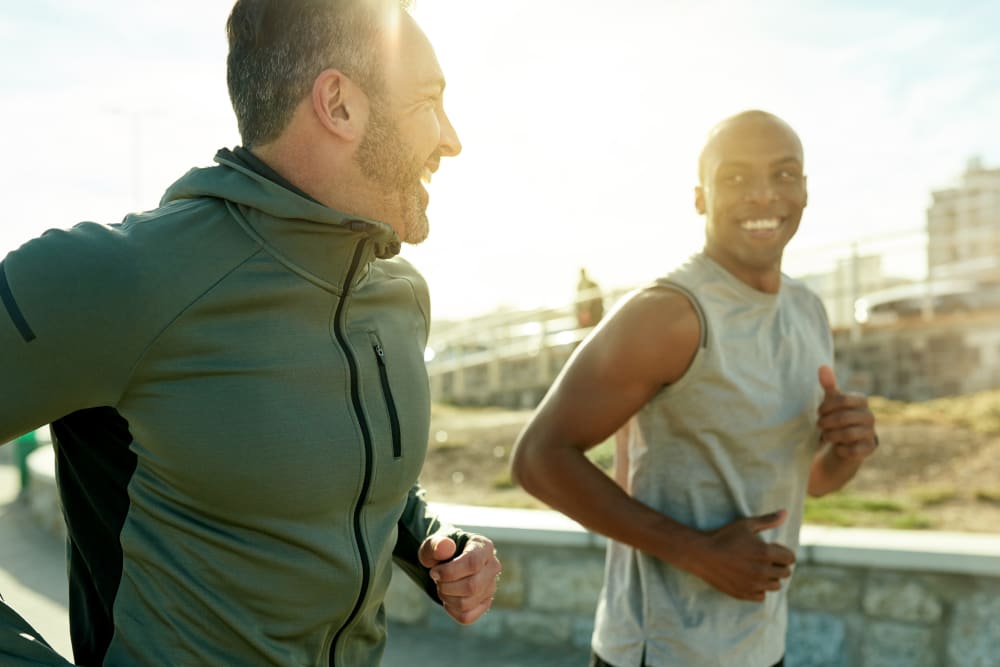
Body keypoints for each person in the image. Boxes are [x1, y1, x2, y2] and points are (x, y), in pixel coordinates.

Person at [0, 1, 501, 665]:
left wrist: (431, 541)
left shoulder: (399, 296)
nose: (451, 138)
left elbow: (342, 471)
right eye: (429, 102)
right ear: (339, 104)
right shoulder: (119, 278)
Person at [510, 110, 878, 667]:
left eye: (783, 174)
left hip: (760, 647)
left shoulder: (807, 311)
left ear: (804, 190)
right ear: (699, 198)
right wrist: (698, 554)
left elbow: (810, 482)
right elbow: (538, 459)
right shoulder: (671, 314)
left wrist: (849, 450)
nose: (761, 195)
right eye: (734, 178)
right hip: (658, 652)